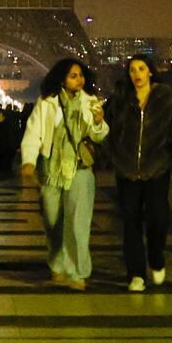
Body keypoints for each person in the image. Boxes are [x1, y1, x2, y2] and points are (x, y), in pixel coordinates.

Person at [20, 56, 109, 290]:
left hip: (80, 168)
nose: (79, 80)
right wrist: (29, 160)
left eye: (81, 76)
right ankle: (57, 263)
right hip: (51, 169)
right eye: (73, 76)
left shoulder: (91, 102)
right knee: (52, 222)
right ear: (62, 79)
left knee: (78, 224)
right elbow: (34, 132)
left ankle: (77, 272)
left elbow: (99, 135)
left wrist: (98, 122)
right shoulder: (46, 102)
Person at [108, 57, 172, 292]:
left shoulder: (165, 97)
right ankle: (136, 273)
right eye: (132, 70)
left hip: (156, 168)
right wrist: (116, 157)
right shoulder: (121, 99)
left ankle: (156, 257)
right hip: (127, 170)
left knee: (158, 218)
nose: (136, 74)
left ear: (150, 72)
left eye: (141, 69)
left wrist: (170, 157)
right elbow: (111, 130)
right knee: (130, 223)